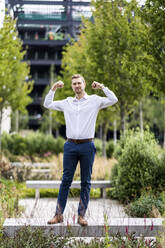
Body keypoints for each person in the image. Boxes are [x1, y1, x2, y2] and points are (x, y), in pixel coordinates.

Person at [43, 74, 118, 226]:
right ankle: (58, 215)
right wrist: (53, 88)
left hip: (87, 146)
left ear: (84, 84)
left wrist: (102, 87)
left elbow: (113, 99)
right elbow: (47, 104)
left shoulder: (95, 101)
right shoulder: (67, 102)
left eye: (79, 83)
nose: (77, 86)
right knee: (65, 181)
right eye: (74, 84)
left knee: (86, 182)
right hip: (70, 145)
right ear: (72, 86)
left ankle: (81, 216)